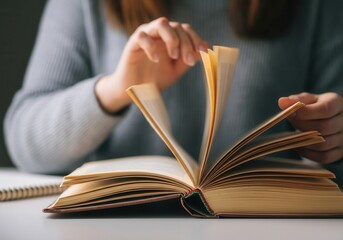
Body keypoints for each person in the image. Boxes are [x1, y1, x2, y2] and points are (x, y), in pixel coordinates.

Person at [4, 0, 343, 188]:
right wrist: (118, 88)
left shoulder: (317, 8)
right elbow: (26, 144)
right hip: (117, 228)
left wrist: (332, 139)